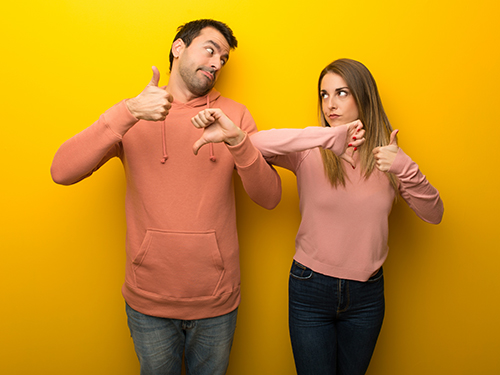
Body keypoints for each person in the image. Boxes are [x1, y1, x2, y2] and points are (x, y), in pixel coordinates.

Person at [50, 19, 281, 375]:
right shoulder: (136, 112)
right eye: (210, 49)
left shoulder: (234, 116)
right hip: (149, 302)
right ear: (178, 48)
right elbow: (61, 171)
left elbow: (270, 198)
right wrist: (127, 112)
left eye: (223, 58)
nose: (218, 62)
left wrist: (239, 142)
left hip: (216, 302)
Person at [249, 58, 443, 375]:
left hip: (367, 295)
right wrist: (325, 137)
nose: (330, 104)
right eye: (324, 95)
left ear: (363, 96)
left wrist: (404, 167)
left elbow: (434, 214)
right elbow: (253, 143)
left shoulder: (389, 157)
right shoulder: (309, 149)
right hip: (309, 288)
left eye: (341, 93)